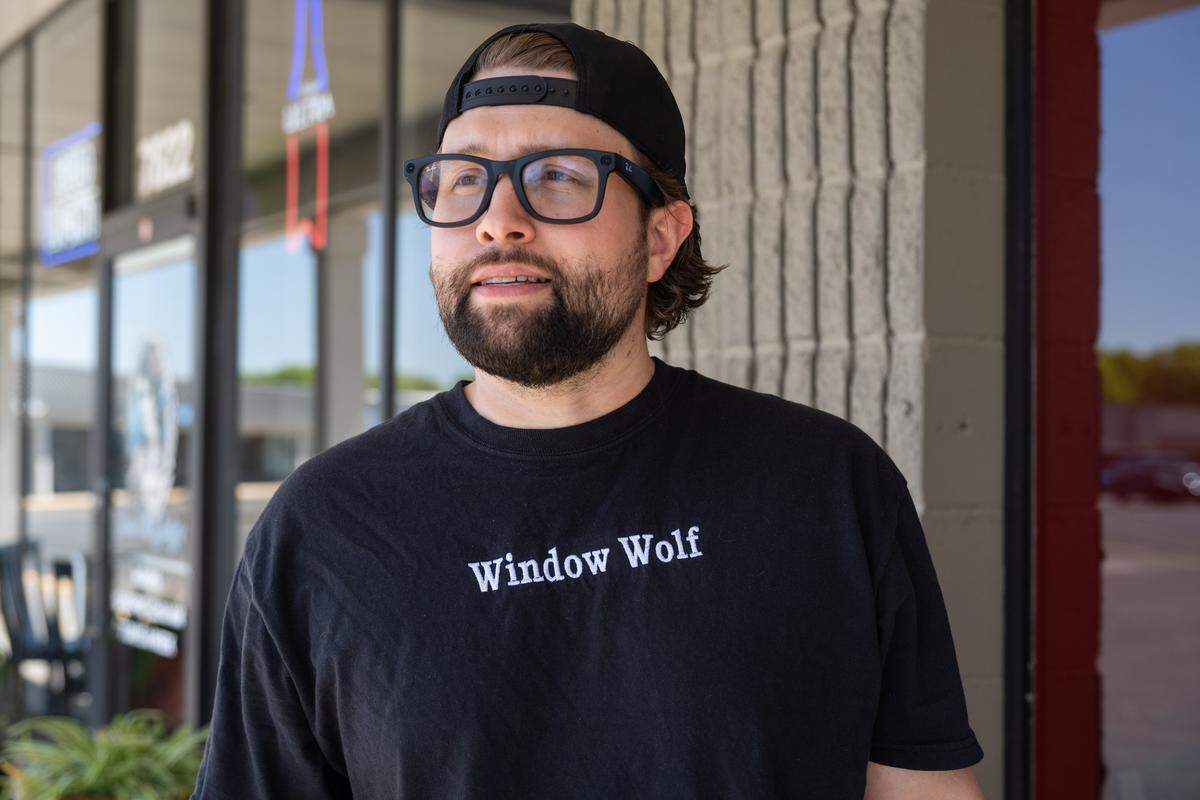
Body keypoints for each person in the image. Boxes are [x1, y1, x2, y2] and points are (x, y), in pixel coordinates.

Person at [192, 22, 986, 800]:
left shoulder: (826, 485)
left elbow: (922, 784)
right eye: (463, 179)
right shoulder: (324, 528)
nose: (498, 218)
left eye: (559, 176)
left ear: (660, 237)